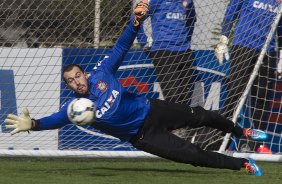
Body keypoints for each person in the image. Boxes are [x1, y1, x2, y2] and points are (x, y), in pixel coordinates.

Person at [5, 0, 266, 176]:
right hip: (144, 137)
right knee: (194, 155)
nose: (76, 82)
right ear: (69, 87)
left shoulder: (102, 73)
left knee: (201, 114)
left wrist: (135, 22)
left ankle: (242, 131)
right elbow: (54, 120)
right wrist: (34, 125)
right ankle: (243, 163)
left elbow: (121, 46)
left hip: (152, 109)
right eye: (71, 82)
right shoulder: (74, 110)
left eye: (77, 76)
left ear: (84, 73)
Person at [215, 0, 282, 149]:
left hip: (268, 51)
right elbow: (231, 12)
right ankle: (221, 139)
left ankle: (256, 143)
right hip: (243, 46)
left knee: (262, 98)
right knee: (235, 94)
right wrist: (223, 39)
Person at [136, 0, 197, 104]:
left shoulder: (188, 2)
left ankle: (182, 119)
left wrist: (187, 40)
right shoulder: (155, 1)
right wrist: (144, 42)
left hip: (184, 52)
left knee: (186, 98)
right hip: (163, 52)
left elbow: (192, 20)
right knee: (173, 96)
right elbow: (137, 18)